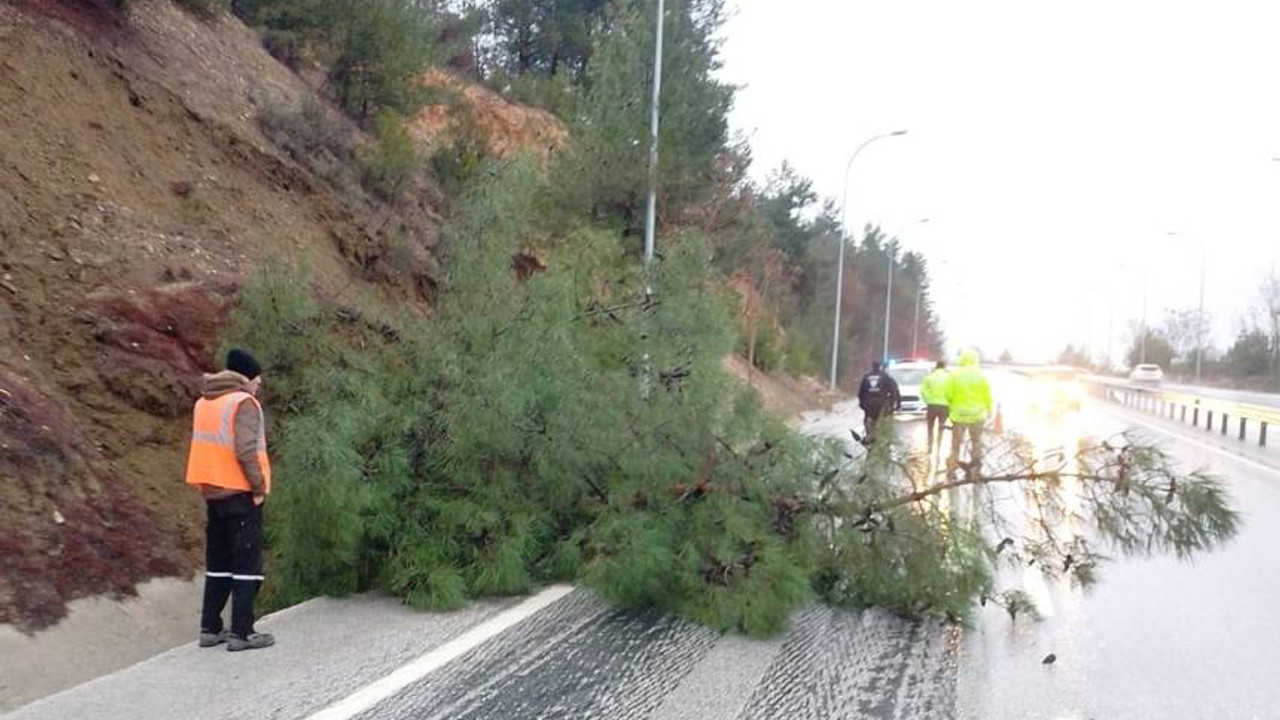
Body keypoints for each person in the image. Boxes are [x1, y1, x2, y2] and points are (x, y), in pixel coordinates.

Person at [186, 349, 275, 652]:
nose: (258, 386)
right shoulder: (243, 403)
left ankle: (210, 628)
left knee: (219, 561)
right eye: (257, 381)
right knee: (247, 562)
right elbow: (246, 450)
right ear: (246, 378)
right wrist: (259, 486)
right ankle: (242, 632)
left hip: (212, 491)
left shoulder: (204, 402)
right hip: (240, 492)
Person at [946, 348, 993, 475]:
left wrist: (951, 407)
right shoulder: (981, 375)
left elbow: (948, 395)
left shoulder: (954, 375)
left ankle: (951, 468)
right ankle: (975, 468)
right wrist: (989, 411)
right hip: (977, 415)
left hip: (958, 415)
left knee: (955, 444)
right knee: (976, 443)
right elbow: (987, 396)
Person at [858, 360, 901, 442]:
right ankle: (882, 439)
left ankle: (869, 437)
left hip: (869, 404)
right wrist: (896, 403)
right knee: (882, 422)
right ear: (880, 367)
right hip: (882, 404)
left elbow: (861, 392)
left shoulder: (866, 377)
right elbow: (894, 390)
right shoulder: (886, 377)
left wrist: (862, 404)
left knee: (869, 420)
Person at [921, 360, 950, 454]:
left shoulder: (929, 377)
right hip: (945, 406)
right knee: (941, 426)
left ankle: (929, 446)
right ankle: (939, 446)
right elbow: (953, 391)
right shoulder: (949, 377)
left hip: (932, 405)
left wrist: (928, 400)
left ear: (936, 366)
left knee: (930, 426)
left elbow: (923, 390)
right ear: (944, 366)